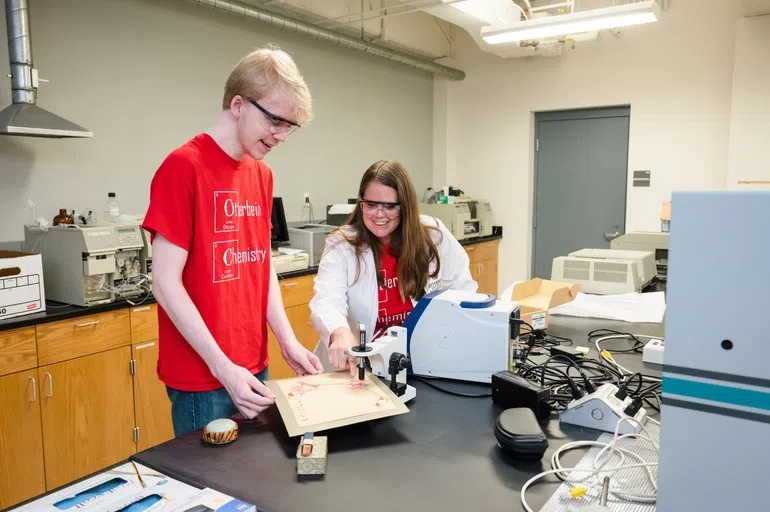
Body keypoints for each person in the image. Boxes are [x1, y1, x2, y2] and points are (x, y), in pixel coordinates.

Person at [142, 46, 324, 437]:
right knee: (213, 492)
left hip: (252, 364)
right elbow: (164, 282)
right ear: (238, 104)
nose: (281, 136)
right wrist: (223, 368)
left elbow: (261, 266)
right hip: (205, 376)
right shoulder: (183, 167)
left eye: (288, 126)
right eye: (275, 120)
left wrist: (288, 341)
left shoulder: (261, 174)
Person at [309, 160, 478, 375]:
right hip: (361, 363)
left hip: (422, 357)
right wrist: (340, 333)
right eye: (371, 205)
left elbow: (462, 288)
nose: (379, 214)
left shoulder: (432, 235)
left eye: (389, 206)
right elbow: (326, 301)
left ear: (405, 206)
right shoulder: (342, 245)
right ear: (361, 204)